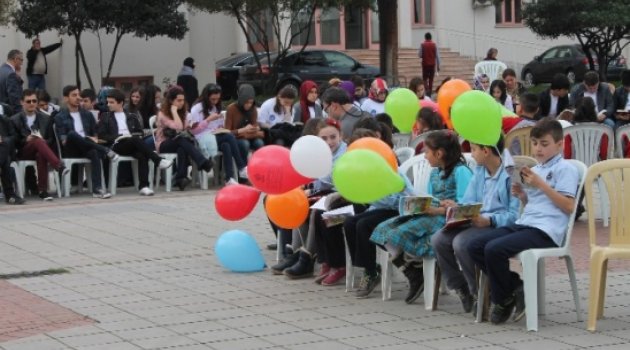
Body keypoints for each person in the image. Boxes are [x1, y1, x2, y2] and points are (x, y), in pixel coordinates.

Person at [468, 118, 579, 325]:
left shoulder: (566, 169)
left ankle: (502, 299)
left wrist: (541, 184)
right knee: (475, 246)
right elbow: (535, 203)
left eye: (544, 144)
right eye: (535, 143)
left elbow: (569, 206)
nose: (538, 149)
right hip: (527, 222)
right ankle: (514, 288)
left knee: (494, 249)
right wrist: (522, 195)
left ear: (559, 144)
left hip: (547, 230)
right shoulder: (535, 169)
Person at [371, 131, 472, 304]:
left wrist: (439, 210)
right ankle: (412, 271)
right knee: (381, 230)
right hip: (432, 215)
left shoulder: (461, 171)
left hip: (448, 218)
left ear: (439, 153)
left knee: (399, 233)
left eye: (427, 152)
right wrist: (419, 206)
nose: (425, 157)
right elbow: (432, 199)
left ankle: (418, 270)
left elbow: (466, 205)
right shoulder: (435, 173)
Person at [431, 135, 519, 313]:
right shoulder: (480, 171)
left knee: (461, 243)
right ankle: (461, 287)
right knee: (438, 239)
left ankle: (479, 291)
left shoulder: (510, 174)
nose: (471, 154)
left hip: (495, 224)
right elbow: (469, 201)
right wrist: (457, 207)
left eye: (473, 149)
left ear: (486, 151)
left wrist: (489, 219)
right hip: (475, 220)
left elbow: (515, 215)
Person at [281, 118, 349, 280]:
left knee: (318, 213)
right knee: (299, 204)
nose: (330, 142)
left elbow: (330, 180)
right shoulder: (319, 152)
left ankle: (309, 257)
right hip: (330, 195)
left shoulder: (345, 153)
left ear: (341, 136)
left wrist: (310, 186)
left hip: (344, 199)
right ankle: (298, 253)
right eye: (324, 139)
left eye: (333, 137)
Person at [98, 88, 173, 196]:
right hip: (116, 145)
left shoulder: (131, 116)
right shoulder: (105, 117)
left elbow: (139, 132)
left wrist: (132, 137)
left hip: (131, 144)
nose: (108, 104)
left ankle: (144, 186)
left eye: (111, 102)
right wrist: (120, 136)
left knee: (142, 154)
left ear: (120, 103)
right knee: (134, 139)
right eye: (108, 102)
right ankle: (158, 161)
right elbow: (102, 135)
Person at [54, 85, 119, 199]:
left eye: (78, 95)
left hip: (87, 147)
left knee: (93, 152)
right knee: (72, 134)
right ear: (65, 98)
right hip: (71, 148)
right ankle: (105, 150)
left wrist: (93, 138)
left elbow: (95, 134)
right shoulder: (60, 116)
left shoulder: (87, 114)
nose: (78, 98)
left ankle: (97, 189)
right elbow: (63, 140)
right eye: (74, 95)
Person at [11, 89, 68, 200]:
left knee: (40, 152)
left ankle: (42, 191)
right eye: (28, 101)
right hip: (23, 151)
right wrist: (26, 140)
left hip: (41, 149)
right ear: (22, 102)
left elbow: (51, 139)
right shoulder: (14, 119)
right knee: (37, 141)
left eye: (34, 101)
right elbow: (14, 140)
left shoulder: (46, 118)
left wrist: (42, 141)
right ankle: (58, 166)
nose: (32, 104)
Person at [155, 86, 213, 191]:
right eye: (179, 100)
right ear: (171, 101)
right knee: (181, 140)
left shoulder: (184, 112)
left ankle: (181, 179)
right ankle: (201, 161)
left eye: (183, 100)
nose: (182, 103)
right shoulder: (162, 114)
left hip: (179, 142)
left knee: (182, 146)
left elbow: (184, 128)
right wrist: (174, 111)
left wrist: (191, 125)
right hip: (163, 144)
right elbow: (178, 127)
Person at [188, 83, 248, 185]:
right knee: (229, 136)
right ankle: (241, 167)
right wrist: (207, 120)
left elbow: (217, 126)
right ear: (206, 97)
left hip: (215, 137)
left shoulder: (215, 107)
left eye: (217, 99)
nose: (215, 102)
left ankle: (229, 178)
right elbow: (193, 131)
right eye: (212, 99)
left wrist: (220, 127)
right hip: (203, 139)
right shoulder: (197, 108)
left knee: (227, 145)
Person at [224, 84, 264, 160]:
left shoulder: (253, 109)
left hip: (250, 136)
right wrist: (243, 130)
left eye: (251, 102)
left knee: (259, 143)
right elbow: (227, 132)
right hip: (237, 137)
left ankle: (258, 165)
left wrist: (255, 128)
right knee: (245, 144)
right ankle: (243, 167)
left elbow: (254, 124)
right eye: (246, 102)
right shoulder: (231, 109)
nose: (249, 105)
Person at [0, 111, 24, 204]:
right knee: (5, 160)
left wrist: (3, 139)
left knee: (5, 144)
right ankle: (10, 195)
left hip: (4, 150)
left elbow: (14, 137)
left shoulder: (4, 119)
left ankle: (10, 195)